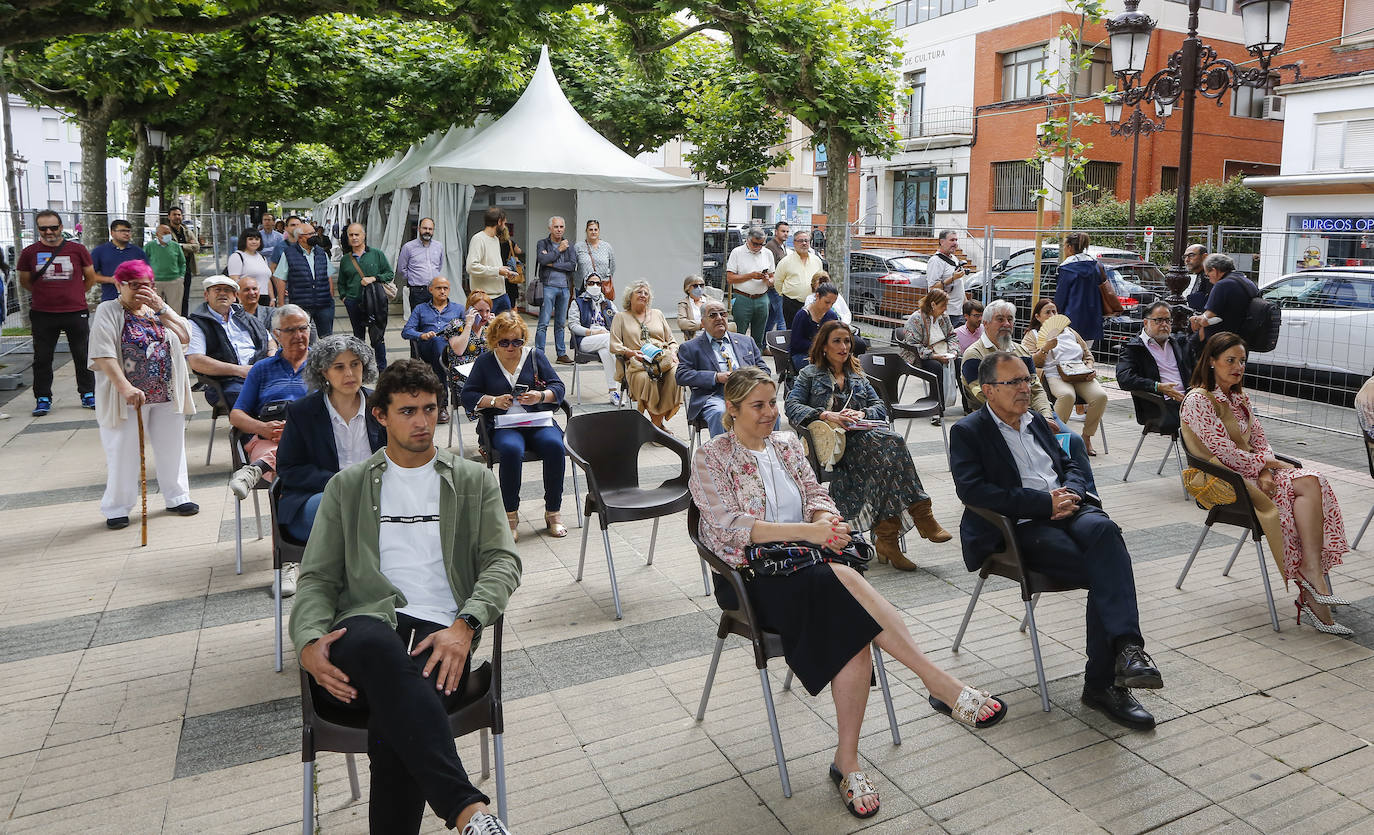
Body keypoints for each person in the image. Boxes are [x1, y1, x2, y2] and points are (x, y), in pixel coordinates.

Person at [691, 365, 1006, 818]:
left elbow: (817, 493)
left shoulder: (785, 445)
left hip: (808, 565)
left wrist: (821, 522)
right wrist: (810, 532)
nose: (769, 412)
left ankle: (849, 760)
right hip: (753, 581)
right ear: (732, 409)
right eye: (758, 406)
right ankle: (936, 684)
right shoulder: (712, 457)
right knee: (839, 583)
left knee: (844, 609)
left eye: (772, 403)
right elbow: (728, 526)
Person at [289, 359, 520, 835]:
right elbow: (316, 579)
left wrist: (465, 626)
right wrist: (308, 643)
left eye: (431, 409)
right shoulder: (347, 487)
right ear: (380, 416)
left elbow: (503, 561)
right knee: (378, 650)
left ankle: (465, 813)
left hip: (440, 632)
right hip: (368, 621)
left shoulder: (473, 481)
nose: (422, 421)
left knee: (400, 716)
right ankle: (469, 813)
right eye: (408, 410)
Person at [950, 351, 1163, 729]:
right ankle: (1105, 680)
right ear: (988, 391)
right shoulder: (969, 431)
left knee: (1105, 532)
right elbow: (974, 491)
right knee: (1106, 568)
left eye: (1026, 379)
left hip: (1070, 509)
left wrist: (1072, 494)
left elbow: (1071, 464)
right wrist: (1043, 504)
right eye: (1013, 382)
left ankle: (1128, 652)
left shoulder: (1035, 421)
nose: (1025, 388)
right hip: (1023, 526)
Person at [1181, 333, 1354, 636]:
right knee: (1305, 485)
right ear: (1211, 362)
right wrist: (1267, 466)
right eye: (1230, 360)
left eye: (1242, 361)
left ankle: (1312, 575)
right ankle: (1313, 585)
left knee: (1312, 481)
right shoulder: (1198, 400)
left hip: (1249, 472)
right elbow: (1224, 451)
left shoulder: (1238, 397)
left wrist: (1264, 469)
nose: (1238, 367)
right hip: (1224, 480)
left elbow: (1260, 440)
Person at [785, 320, 952, 570]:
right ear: (823, 347)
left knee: (888, 459)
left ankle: (888, 537)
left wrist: (861, 415)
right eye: (837, 341)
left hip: (862, 438)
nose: (844, 346)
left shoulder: (857, 374)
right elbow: (792, 406)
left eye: (847, 341)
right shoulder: (810, 373)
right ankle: (919, 515)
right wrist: (827, 415)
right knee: (892, 447)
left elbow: (879, 408)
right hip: (831, 445)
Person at [88, 261, 198, 529]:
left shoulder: (157, 309)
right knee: (123, 451)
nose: (142, 291)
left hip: (165, 392)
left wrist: (161, 309)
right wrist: (125, 387)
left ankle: (177, 495)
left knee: (172, 447)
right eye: (134, 285)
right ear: (119, 285)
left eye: (147, 285)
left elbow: (185, 337)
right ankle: (117, 506)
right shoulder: (108, 311)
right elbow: (103, 354)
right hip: (127, 396)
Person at [959, 300, 1099, 494]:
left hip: (1035, 415)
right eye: (1000, 319)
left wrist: (1046, 416)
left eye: (1010, 319)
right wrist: (1032, 418)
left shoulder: (1021, 352)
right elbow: (983, 396)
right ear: (986, 323)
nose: (1007, 324)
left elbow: (1036, 389)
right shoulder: (974, 354)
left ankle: (1087, 496)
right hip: (996, 419)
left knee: (1074, 441)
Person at [226, 305, 314, 593]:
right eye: (291, 330)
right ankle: (289, 561)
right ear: (277, 334)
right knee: (287, 475)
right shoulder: (263, 369)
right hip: (266, 437)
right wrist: (262, 428)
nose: (300, 335)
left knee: (287, 470)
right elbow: (236, 415)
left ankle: (257, 470)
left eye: (304, 327)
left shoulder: (322, 365)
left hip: (308, 443)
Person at [460, 313, 569, 540]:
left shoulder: (535, 356)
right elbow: (468, 395)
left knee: (554, 446)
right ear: (494, 340)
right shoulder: (485, 361)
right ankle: (510, 514)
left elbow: (558, 387)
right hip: (504, 424)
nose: (511, 347)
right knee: (511, 450)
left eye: (517, 341)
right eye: (504, 342)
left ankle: (553, 511)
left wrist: (540, 395)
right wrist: (493, 401)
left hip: (537, 421)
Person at [275, 335, 385, 541]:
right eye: (339, 367)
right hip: (317, 498)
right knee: (346, 509)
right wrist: (339, 483)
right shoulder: (303, 412)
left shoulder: (382, 406)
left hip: (377, 498)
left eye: (355, 364)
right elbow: (288, 468)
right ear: (324, 371)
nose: (350, 373)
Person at [18, 210, 97, 416]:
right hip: (43, 313)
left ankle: (88, 393)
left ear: (61, 227)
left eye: (53, 227)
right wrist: (45, 294)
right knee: (43, 357)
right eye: (43, 228)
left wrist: (76, 293)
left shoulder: (77, 249)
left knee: (82, 355)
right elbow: (25, 280)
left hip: (75, 311)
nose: (49, 232)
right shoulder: (29, 252)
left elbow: (90, 277)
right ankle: (43, 397)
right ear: (38, 230)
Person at [1023, 299, 1107, 455]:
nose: (1052, 315)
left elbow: (1087, 354)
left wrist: (1089, 367)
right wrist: (1045, 348)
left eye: (1054, 311)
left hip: (1079, 373)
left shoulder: (1070, 331)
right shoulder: (1032, 335)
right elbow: (1029, 362)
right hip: (1054, 375)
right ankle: (1054, 437)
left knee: (1100, 396)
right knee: (1067, 396)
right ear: (1038, 317)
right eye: (1047, 312)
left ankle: (1086, 437)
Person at [677, 296, 769, 437]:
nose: (719, 318)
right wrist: (715, 377)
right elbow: (682, 375)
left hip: (746, 393)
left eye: (723, 314)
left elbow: (765, 370)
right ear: (703, 322)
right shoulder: (690, 347)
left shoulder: (746, 341)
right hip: (713, 395)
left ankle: (765, 453)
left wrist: (750, 378)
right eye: (713, 315)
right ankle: (725, 457)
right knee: (720, 413)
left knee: (769, 411)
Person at [186, 275, 272, 409]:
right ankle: (252, 428)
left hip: (259, 374)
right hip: (225, 382)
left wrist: (271, 356)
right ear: (206, 295)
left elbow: (268, 339)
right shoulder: (197, 323)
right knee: (248, 397)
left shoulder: (245, 318)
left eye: (227, 290)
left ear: (234, 296)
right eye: (217, 290)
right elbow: (196, 361)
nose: (222, 293)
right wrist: (239, 371)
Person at [610, 279, 681, 430]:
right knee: (648, 379)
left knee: (675, 374)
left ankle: (655, 425)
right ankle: (657, 427)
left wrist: (673, 353)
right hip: (637, 363)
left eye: (646, 293)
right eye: (639, 292)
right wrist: (629, 352)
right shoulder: (620, 317)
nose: (643, 295)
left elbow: (671, 340)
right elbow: (614, 345)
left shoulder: (658, 314)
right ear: (630, 296)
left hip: (663, 360)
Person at [1116, 301, 1195, 433]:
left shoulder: (1179, 343)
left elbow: (1198, 369)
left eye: (1168, 320)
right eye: (1159, 320)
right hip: (1160, 406)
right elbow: (1124, 379)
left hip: (1190, 399)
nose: (1164, 325)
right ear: (1146, 322)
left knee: (1225, 412)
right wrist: (1157, 386)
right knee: (1208, 420)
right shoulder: (1134, 348)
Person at [403, 276, 465, 424]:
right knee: (437, 342)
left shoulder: (459, 309)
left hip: (452, 349)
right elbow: (406, 331)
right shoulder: (420, 308)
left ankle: (441, 404)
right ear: (430, 289)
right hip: (428, 348)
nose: (442, 291)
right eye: (438, 288)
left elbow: (467, 331)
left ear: (449, 290)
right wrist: (422, 335)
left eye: (445, 288)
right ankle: (442, 405)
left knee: (441, 350)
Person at [338, 222, 396, 370]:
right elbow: (341, 282)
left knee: (377, 337)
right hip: (353, 302)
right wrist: (344, 298)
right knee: (358, 338)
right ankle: (362, 368)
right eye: (351, 235)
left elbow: (389, 274)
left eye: (357, 234)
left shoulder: (376, 254)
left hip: (375, 302)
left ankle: (382, 369)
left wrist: (374, 278)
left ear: (364, 236)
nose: (354, 237)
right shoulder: (346, 259)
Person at [272, 220, 337, 335]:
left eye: (314, 233)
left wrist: (331, 296)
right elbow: (281, 279)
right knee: (301, 336)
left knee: (327, 338)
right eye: (311, 234)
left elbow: (328, 275)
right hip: (301, 305)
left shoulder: (321, 252)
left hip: (324, 303)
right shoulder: (288, 254)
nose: (315, 236)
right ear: (300, 237)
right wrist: (281, 304)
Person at [898, 287, 957, 411]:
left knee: (960, 362)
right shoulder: (916, 319)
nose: (945, 308)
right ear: (933, 304)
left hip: (943, 351)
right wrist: (934, 356)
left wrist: (953, 352)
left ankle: (968, 406)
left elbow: (952, 336)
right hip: (919, 356)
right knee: (936, 367)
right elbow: (913, 345)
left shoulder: (944, 317)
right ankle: (938, 408)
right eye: (943, 305)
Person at [568, 273, 622, 406]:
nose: (595, 286)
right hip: (585, 340)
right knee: (608, 339)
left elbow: (619, 322)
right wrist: (593, 332)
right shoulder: (577, 302)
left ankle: (613, 391)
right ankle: (623, 373)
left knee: (605, 351)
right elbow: (573, 325)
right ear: (585, 285)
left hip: (605, 341)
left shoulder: (608, 304)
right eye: (591, 283)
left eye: (598, 283)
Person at [1187, 253, 1259, 346]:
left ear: (1214, 270)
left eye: (1208, 275)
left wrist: (1195, 319)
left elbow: (1207, 318)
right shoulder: (1248, 282)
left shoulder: (1222, 285)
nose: (1209, 280)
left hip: (1221, 340)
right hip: (1242, 338)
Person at [441, 291, 494, 412]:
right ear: (470, 310)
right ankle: (486, 416)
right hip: (462, 375)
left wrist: (496, 329)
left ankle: (492, 417)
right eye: (480, 311)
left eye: (487, 311)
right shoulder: (456, 324)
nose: (485, 315)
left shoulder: (488, 328)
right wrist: (469, 325)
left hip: (485, 372)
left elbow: (499, 353)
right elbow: (459, 350)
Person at [1053, 231, 1105, 349]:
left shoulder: (1067, 268)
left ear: (1070, 247)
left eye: (1064, 246)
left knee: (1070, 354)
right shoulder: (1096, 266)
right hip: (1093, 316)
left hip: (1071, 318)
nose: (1064, 249)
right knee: (1086, 353)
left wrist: (1055, 316)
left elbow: (1061, 296)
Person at [534, 216, 575, 362]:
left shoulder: (570, 245)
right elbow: (542, 260)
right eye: (556, 227)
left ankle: (561, 354)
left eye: (561, 227)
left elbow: (571, 266)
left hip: (564, 289)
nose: (559, 230)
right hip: (548, 287)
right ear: (550, 228)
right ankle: (539, 354)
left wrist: (552, 263)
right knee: (543, 322)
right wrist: (559, 250)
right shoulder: (542, 243)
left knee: (560, 323)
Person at [725, 227, 775, 348]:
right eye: (755, 243)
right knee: (739, 334)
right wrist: (751, 276)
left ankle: (757, 361)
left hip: (762, 298)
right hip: (743, 297)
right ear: (747, 240)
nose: (758, 247)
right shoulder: (737, 252)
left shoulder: (767, 253)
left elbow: (773, 277)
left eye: (761, 244)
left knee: (759, 336)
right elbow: (730, 278)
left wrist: (768, 280)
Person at [466, 207, 517, 314]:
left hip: (502, 295)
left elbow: (493, 266)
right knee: (486, 330)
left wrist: (505, 272)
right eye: (504, 223)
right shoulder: (478, 239)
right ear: (499, 221)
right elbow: (471, 267)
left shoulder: (495, 239)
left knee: (506, 329)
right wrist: (497, 271)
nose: (504, 226)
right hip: (485, 298)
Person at [91, 218, 148, 303]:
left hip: (135, 299)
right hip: (110, 298)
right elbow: (90, 275)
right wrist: (111, 280)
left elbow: (147, 274)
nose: (126, 234)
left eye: (128, 231)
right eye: (122, 231)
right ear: (112, 232)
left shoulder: (138, 252)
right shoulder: (100, 251)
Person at [774, 229, 823, 326]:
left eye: (806, 241)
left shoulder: (817, 260)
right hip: (791, 304)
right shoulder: (785, 261)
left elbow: (820, 279)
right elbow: (778, 282)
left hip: (812, 303)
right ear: (794, 243)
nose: (804, 243)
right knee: (792, 332)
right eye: (800, 241)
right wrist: (786, 294)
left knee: (811, 332)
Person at [788, 281, 840, 370]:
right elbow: (796, 343)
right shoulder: (803, 315)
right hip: (802, 355)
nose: (829, 306)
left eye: (832, 304)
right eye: (827, 302)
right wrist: (821, 346)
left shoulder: (831, 316)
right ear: (817, 296)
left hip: (825, 354)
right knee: (822, 369)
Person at [396, 217, 445, 312]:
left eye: (430, 229)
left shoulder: (439, 246)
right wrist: (413, 278)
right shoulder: (408, 247)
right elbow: (401, 269)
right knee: (419, 320)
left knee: (435, 319)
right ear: (419, 229)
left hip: (435, 290)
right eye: (425, 228)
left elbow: (439, 266)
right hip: (417, 292)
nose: (427, 231)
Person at [146, 223, 188, 318]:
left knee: (175, 310)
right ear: (157, 234)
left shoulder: (175, 246)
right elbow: (143, 262)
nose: (167, 235)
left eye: (169, 233)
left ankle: (175, 330)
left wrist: (181, 276)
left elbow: (182, 262)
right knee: (153, 309)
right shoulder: (149, 246)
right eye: (165, 233)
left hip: (174, 281)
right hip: (154, 282)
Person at [227, 229, 272, 308]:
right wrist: (239, 298)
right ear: (244, 240)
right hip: (248, 298)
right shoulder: (237, 256)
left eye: (257, 239)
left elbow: (267, 280)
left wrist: (272, 298)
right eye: (250, 239)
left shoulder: (262, 258)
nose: (254, 242)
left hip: (265, 299)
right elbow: (234, 280)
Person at [167, 206, 198, 315]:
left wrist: (180, 246)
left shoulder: (187, 231)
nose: (177, 217)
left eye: (179, 214)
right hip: (171, 270)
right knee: (172, 298)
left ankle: (184, 320)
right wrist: (187, 246)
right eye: (174, 214)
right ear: (169, 217)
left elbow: (196, 247)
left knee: (185, 297)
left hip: (186, 269)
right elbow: (168, 248)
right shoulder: (166, 232)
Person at [925, 229, 967, 311]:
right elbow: (933, 288)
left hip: (959, 311)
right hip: (946, 312)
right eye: (952, 240)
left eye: (956, 240)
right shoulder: (935, 261)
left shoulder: (954, 258)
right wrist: (952, 278)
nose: (955, 243)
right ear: (942, 242)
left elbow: (959, 286)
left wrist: (966, 304)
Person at [574, 219, 615, 301]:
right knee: (583, 311)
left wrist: (605, 277)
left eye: (595, 229)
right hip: (583, 287)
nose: (593, 232)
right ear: (586, 231)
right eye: (590, 229)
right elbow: (573, 266)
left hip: (602, 286)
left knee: (603, 311)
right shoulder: (578, 247)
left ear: (599, 231)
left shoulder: (607, 247)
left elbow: (612, 266)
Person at [763, 221, 790, 331]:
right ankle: (782, 346)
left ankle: (763, 344)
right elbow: (769, 268)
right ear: (776, 232)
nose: (786, 234)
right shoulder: (771, 247)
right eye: (783, 231)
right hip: (774, 288)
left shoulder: (782, 246)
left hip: (781, 287)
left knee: (772, 318)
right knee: (782, 319)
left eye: (787, 231)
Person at [499, 220, 524, 311]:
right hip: (510, 273)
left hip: (498, 271)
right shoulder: (510, 243)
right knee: (512, 300)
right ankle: (513, 319)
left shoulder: (494, 243)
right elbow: (519, 251)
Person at [676, 275, 707, 341]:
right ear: (688, 289)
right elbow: (682, 323)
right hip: (694, 339)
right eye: (695, 286)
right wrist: (701, 325)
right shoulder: (684, 304)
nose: (699, 288)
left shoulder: (711, 301)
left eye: (701, 285)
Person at [1183, 243, 1210, 312]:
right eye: (1185, 257)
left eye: (1191, 255)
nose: (1187, 260)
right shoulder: (1201, 273)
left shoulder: (1210, 276)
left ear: (1205, 257)